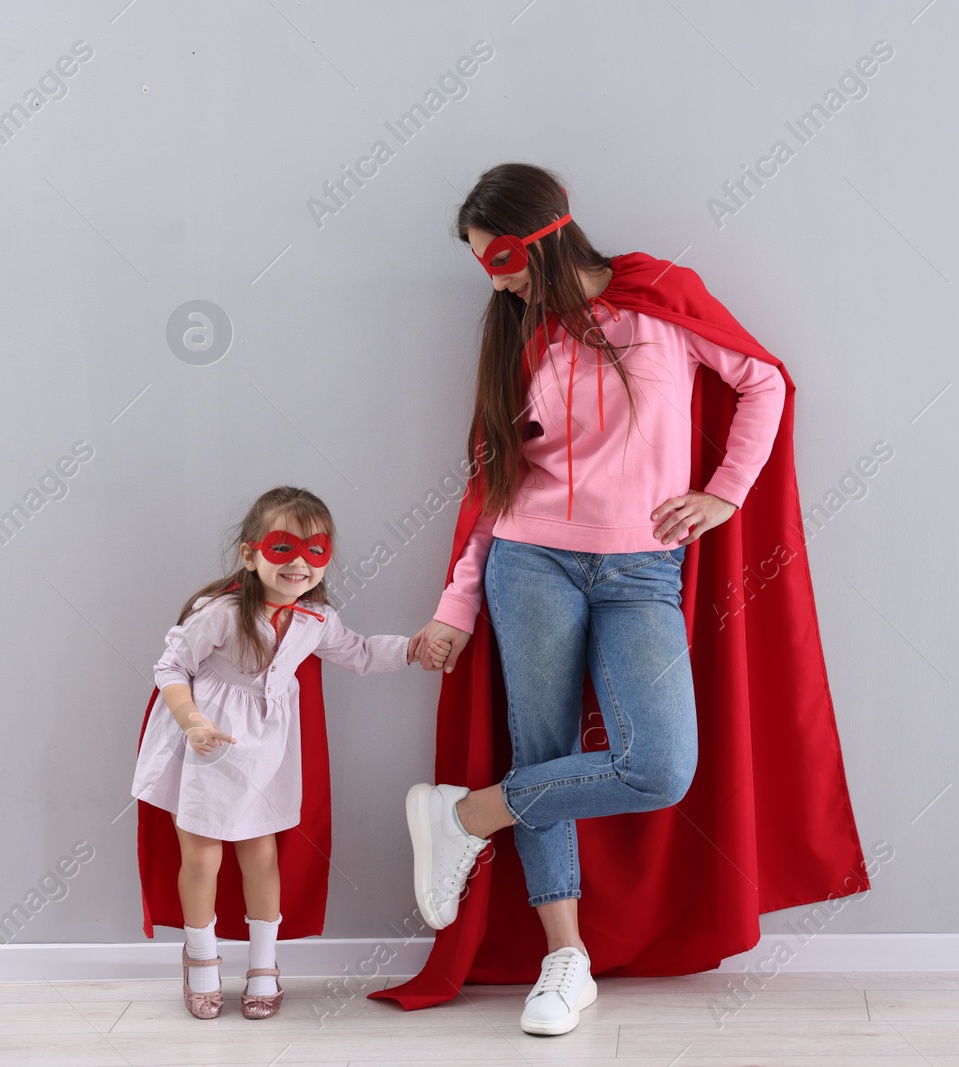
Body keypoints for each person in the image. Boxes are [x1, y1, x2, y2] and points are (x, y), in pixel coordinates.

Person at [401, 164, 788, 1037]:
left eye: (498, 257)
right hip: (529, 563)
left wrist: (725, 491)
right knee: (544, 746)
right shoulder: (517, 333)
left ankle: (463, 814)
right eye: (481, 265)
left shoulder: (662, 301)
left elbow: (763, 380)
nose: (494, 279)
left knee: (658, 766)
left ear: (542, 236)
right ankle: (563, 962)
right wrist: (456, 606)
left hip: (642, 570)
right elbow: (492, 485)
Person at [131, 486, 416, 1020]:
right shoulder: (220, 612)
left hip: (265, 751)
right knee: (203, 855)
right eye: (284, 547)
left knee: (261, 855)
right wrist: (193, 721)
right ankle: (201, 958)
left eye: (317, 550)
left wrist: (414, 649)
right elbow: (171, 667)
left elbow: (358, 653)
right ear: (250, 553)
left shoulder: (315, 620)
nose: (301, 564)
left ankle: (265, 963)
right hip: (207, 743)